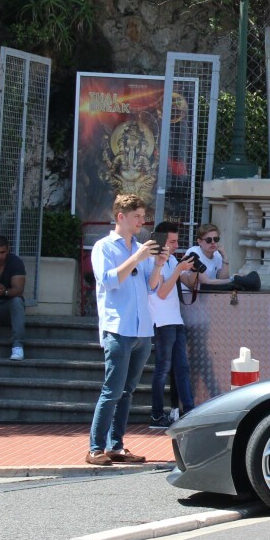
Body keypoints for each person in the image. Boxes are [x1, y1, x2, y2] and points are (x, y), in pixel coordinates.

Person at [87, 193, 156, 466]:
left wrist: (158, 263)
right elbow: (109, 281)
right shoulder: (103, 247)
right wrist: (137, 257)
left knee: (127, 392)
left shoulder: (140, 248)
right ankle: (95, 448)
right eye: (137, 216)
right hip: (118, 327)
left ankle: (116, 445)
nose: (142, 221)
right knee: (112, 390)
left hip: (142, 329)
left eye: (142, 216)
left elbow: (152, 286)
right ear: (121, 217)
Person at [146, 221, 199, 429]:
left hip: (176, 320)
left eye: (177, 241)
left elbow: (187, 282)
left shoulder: (172, 260)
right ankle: (156, 415)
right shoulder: (153, 261)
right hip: (162, 321)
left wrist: (193, 269)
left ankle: (189, 410)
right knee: (162, 369)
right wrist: (178, 269)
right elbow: (161, 292)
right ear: (160, 241)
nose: (177, 245)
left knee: (182, 368)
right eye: (172, 241)